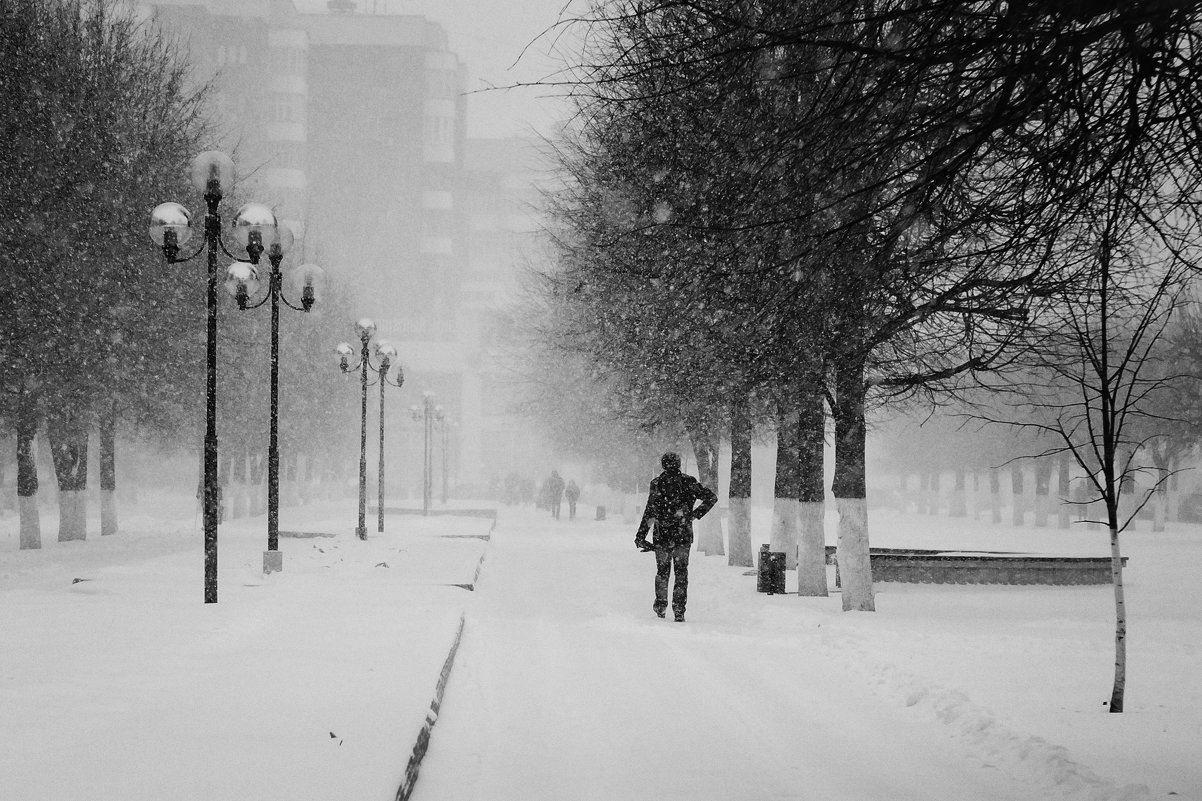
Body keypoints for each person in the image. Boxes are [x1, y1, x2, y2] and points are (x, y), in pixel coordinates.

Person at [633, 452, 717, 622]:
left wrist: (641, 535)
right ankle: (679, 610)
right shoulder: (688, 482)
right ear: (678, 464)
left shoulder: (657, 483)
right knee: (681, 573)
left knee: (662, 572)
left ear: (663, 465)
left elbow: (650, 511)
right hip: (683, 536)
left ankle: (661, 606)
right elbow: (711, 498)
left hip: (662, 536)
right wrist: (694, 515)